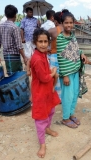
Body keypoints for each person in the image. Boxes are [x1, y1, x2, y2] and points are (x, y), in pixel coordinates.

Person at [30, 28, 60, 158]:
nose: (43, 44)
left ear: (49, 42)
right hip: (40, 92)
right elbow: (43, 78)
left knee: (50, 111)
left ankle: (47, 128)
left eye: (45, 41)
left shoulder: (43, 54)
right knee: (41, 118)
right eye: (40, 41)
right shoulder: (36, 58)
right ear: (35, 42)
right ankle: (42, 144)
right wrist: (53, 73)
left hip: (48, 90)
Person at [57, 9, 88, 128]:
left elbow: (75, 50)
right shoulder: (60, 39)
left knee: (74, 94)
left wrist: (81, 54)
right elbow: (60, 59)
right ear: (62, 24)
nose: (69, 25)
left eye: (71, 23)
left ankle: (71, 114)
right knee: (67, 96)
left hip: (75, 70)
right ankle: (65, 118)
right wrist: (64, 75)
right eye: (66, 23)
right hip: (67, 73)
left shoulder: (73, 37)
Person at [0, 5, 27, 76]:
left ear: (5, 14)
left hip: (6, 55)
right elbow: (19, 46)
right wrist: (24, 57)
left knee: (10, 73)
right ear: (15, 15)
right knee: (17, 74)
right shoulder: (15, 27)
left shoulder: (0, 27)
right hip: (14, 55)